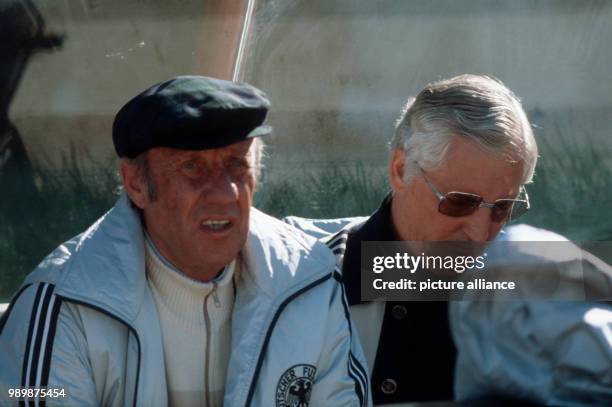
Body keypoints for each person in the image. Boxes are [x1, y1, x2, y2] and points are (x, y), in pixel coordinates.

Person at [0, 75, 370, 407]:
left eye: (236, 163)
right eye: (192, 167)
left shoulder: (310, 281)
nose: (224, 194)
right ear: (136, 184)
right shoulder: (63, 303)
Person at [285, 74, 539, 404]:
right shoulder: (295, 273)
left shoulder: (533, 301)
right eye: (460, 202)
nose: (480, 232)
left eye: (503, 208)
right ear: (400, 169)